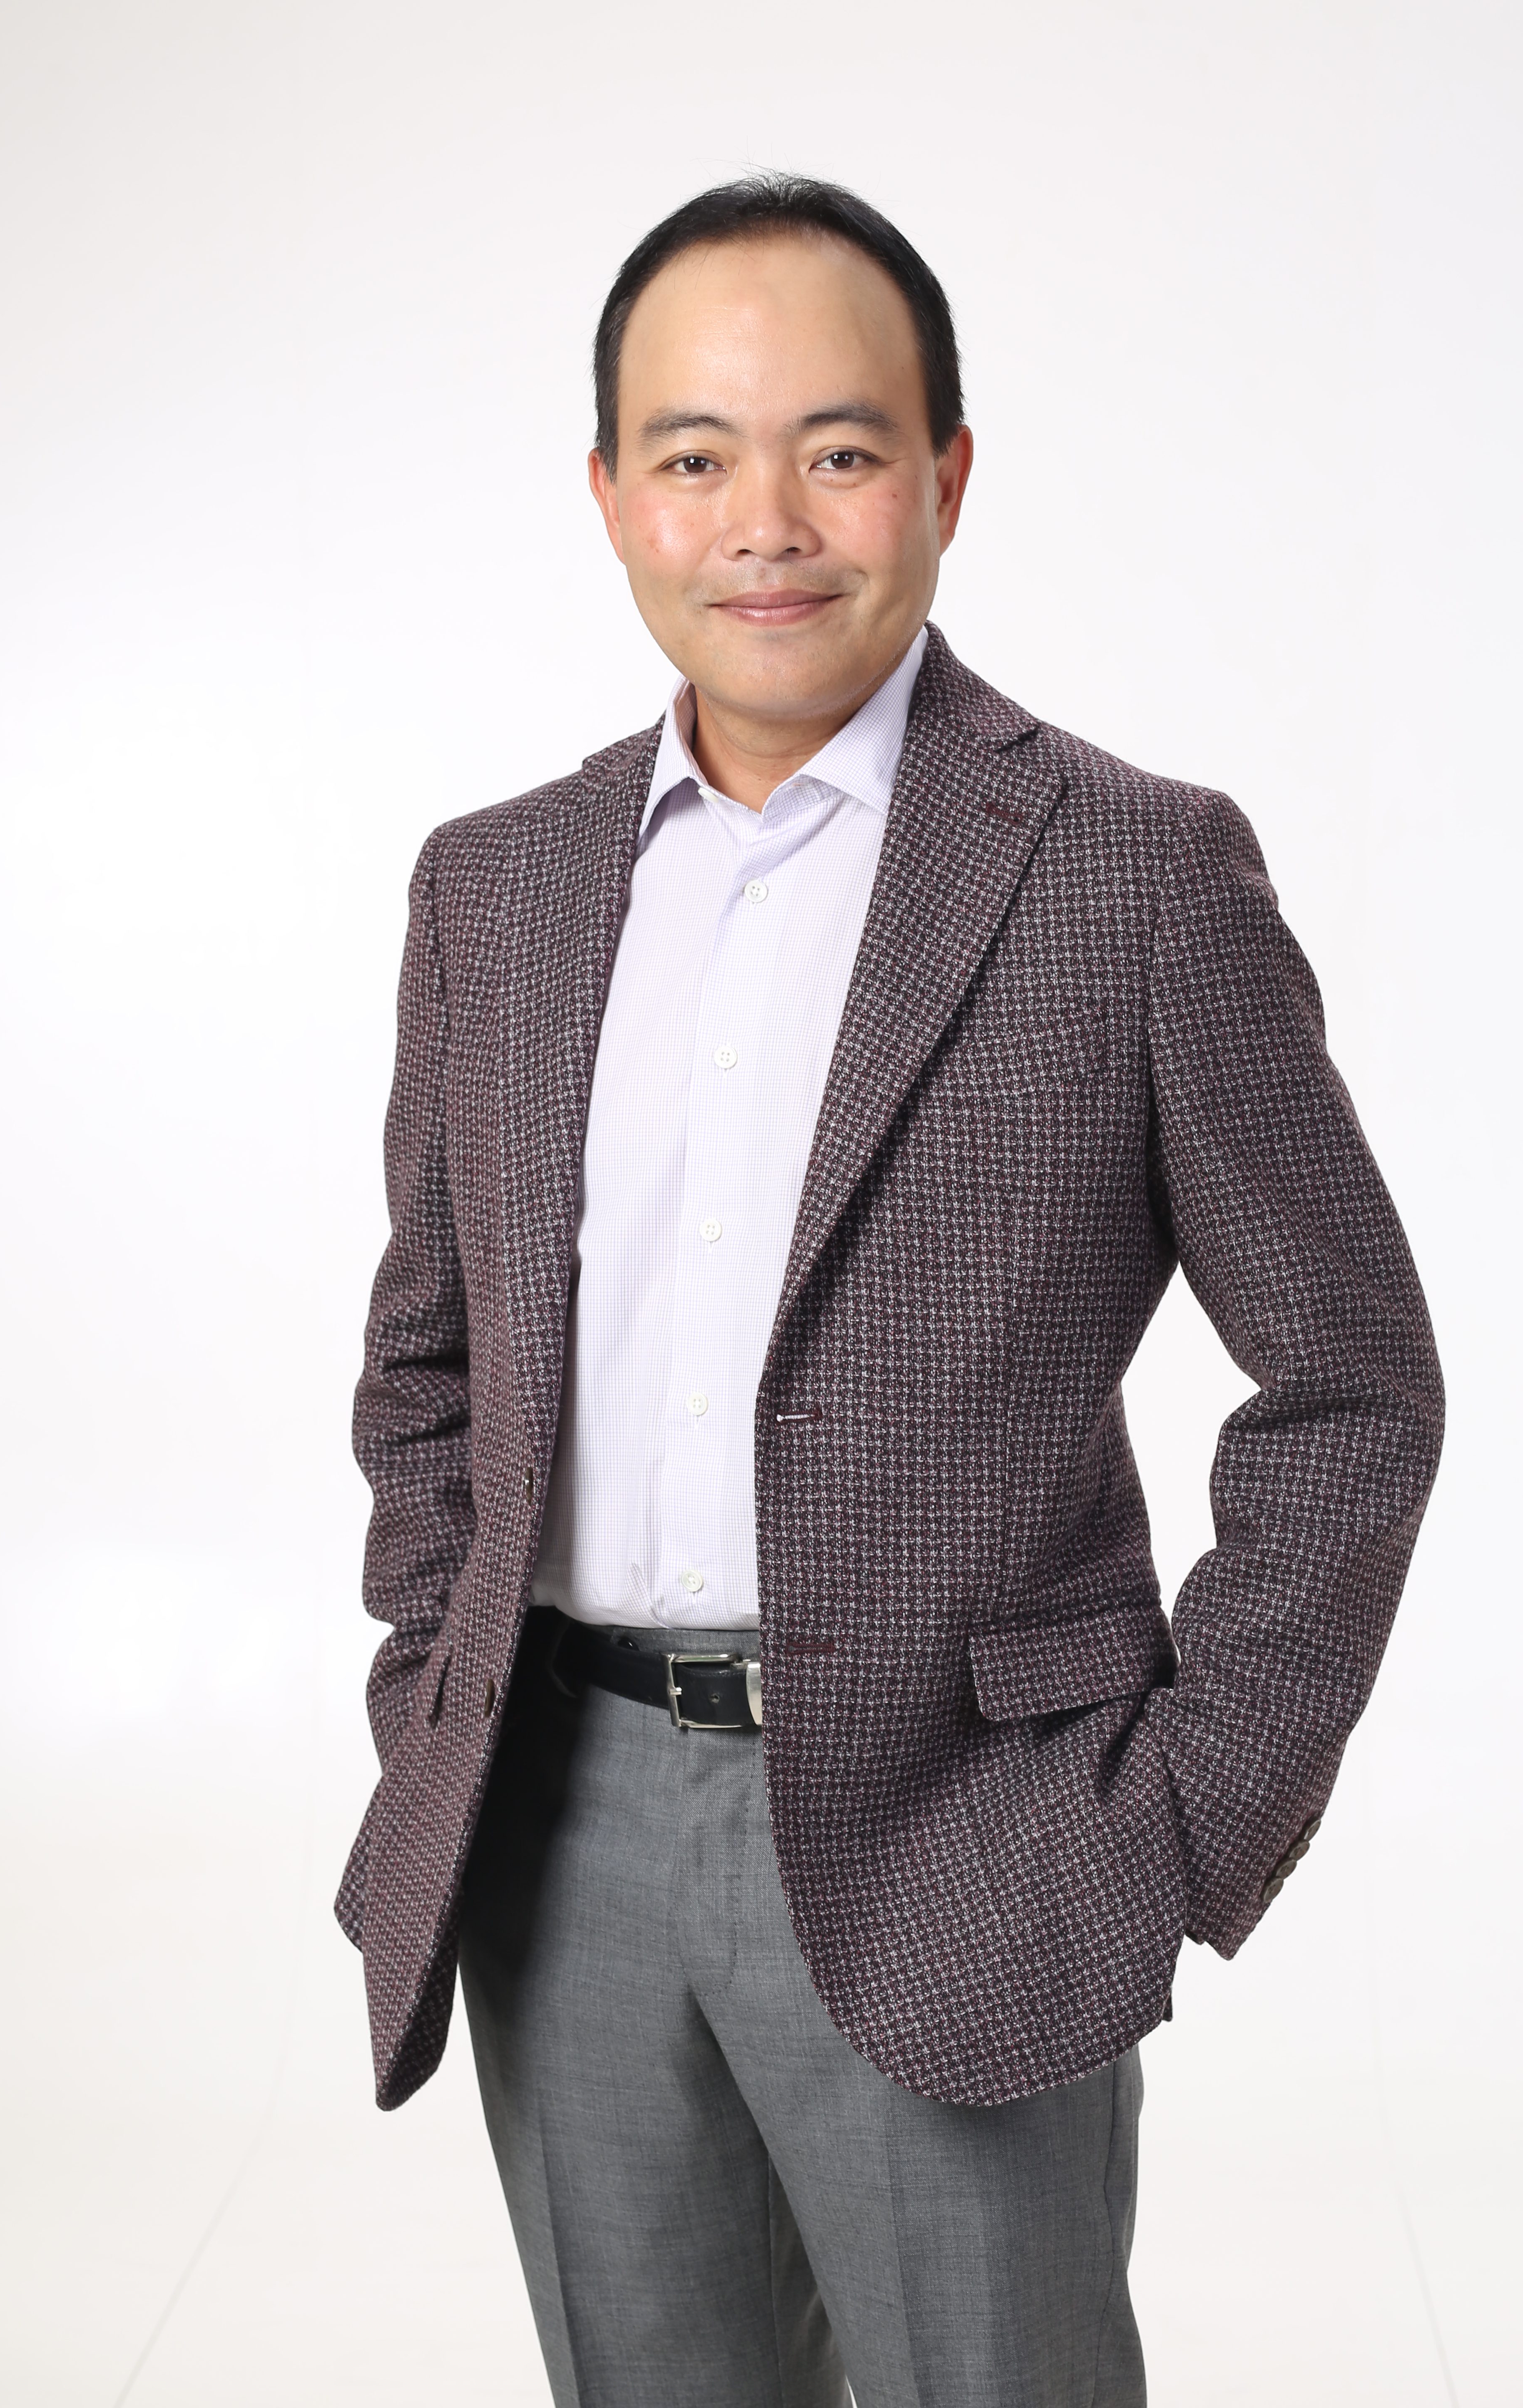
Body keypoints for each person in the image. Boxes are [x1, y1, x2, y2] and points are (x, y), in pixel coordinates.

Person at [336, 175, 1443, 2407]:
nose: (767, 521)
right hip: (559, 1835)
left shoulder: (1137, 874)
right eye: (695, 454)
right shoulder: (497, 889)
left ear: (945, 474)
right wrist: (431, 1697)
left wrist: (1180, 1815)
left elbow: (1350, 1384)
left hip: (978, 1840)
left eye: (838, 449)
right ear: (610, 498)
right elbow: (428, 1363)